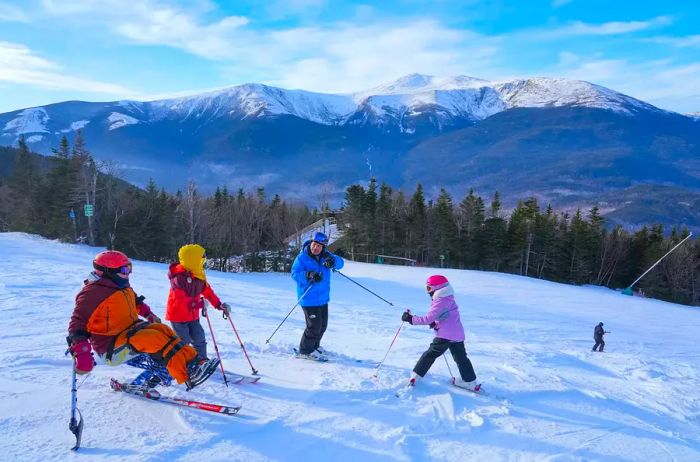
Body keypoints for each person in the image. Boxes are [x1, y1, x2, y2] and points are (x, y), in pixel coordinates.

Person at [67, 250, 219, 390]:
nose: (129, 273)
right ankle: (187, 375)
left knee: (163, 330)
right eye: (125, 270)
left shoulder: (119, 285)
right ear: (109, 272)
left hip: (128, 332)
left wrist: (149, 315)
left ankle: (195, 362)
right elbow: (77, 324)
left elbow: (136, 301)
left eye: (129, 268)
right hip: (110, 347)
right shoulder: (92, 294)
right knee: (155, 339)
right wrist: (82, 352)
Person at [401, 275, 480, 391]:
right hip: (457, 334)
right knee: (461, 358)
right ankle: (470, 382)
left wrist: (410, 319)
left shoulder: (441, 300)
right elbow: (447, 316)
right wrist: (436, 323)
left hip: (445, 336)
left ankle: (415, 377)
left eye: (429, 288)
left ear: (437, 288)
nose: (428, 292)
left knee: (430, 354)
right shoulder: (448, 298)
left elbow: (427, 318)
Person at [165, 244, 231, 363]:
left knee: (199, 337)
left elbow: (208, 292)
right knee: (183, 341)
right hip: (178, 316)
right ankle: (183, 362)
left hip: (192, 316)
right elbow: (180, 300)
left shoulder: (198, 275)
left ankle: (201, 360)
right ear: (192, 259)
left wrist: (218, 305)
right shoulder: (178, 277)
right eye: (201, 257)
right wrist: (197, 304)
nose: (204, 260)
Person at [291, 231, 344, 360]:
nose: (316, 248)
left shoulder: (326, 256)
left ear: (323, 247)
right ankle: (305, 351)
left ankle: (315, 346)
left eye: (319, 246)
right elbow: (294, 274)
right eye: (314, 245)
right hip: (308, 298)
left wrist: (332, 260)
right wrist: (308, 275)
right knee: (313, 326)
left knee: (322, 325)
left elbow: (340, 263)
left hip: (323, 298)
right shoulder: (302, 258)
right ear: (311, 243)